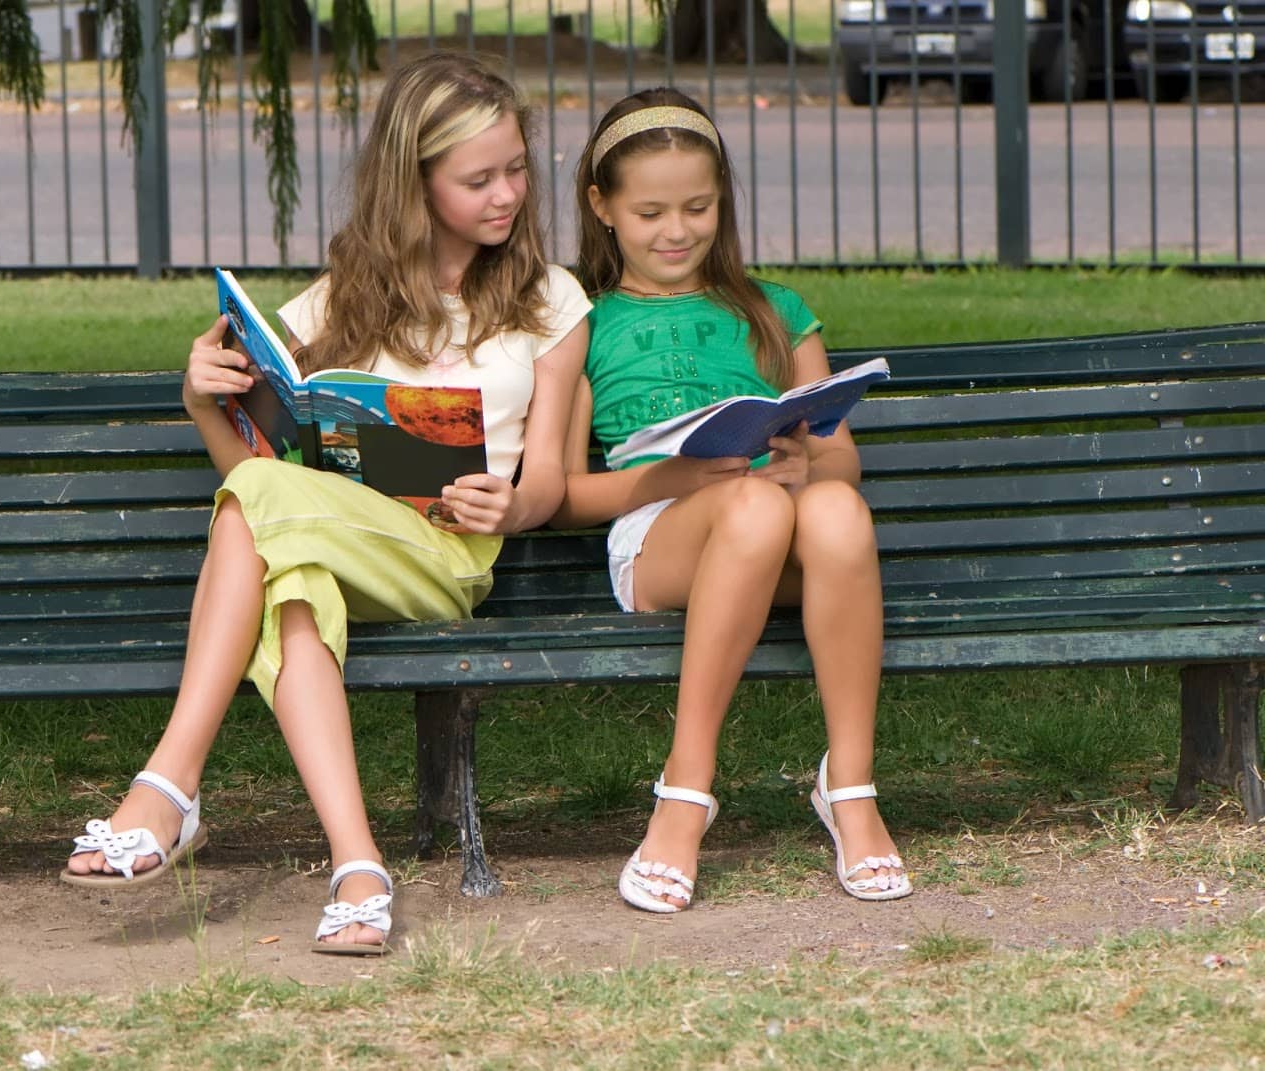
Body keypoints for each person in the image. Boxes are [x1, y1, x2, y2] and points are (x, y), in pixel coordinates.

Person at [60, 53, 591, 954]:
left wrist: (515, 505)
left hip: (449, 557)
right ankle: (358, 869)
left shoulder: (550, 302)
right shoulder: (339, 301)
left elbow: (550, 475)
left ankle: (171, 782)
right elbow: (252, 482)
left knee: (270, 511)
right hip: (328, 538)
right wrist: (204, 402)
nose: (506, 194)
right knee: (292, 580)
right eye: (478, 179)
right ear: (412, 184)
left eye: (515, 170)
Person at [554, 87, 910, 912]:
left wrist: (802, 467)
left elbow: (842, 462)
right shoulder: (585, 323)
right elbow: (566, 494)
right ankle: (686, 788)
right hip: (658, 540)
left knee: (832, 508)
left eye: (698, 207)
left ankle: (850, 783)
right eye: (649, 212)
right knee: (752, 507)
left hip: (777, 532)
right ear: (600, 205)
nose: (676, 230)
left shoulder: (774, 311)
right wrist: (677, 480)